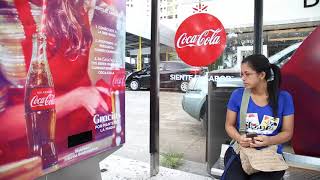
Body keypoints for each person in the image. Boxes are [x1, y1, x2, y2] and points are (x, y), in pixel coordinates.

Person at [0, 0, 111, 165]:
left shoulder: (80, 5)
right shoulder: (5, 16)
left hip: (82, 144)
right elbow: (3, 127)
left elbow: (114, 12)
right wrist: (75, 99)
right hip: (33, 160)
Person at [223, 54, 294, 180]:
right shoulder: (238, 95)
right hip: (241, 151)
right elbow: (229, 125)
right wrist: (239, 138)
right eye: (241, 74)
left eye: (247, 74)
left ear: (261, 75)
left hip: (270, 154)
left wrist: (269, 140)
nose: (243, 78)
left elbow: (288, 133)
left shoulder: (284, 98)